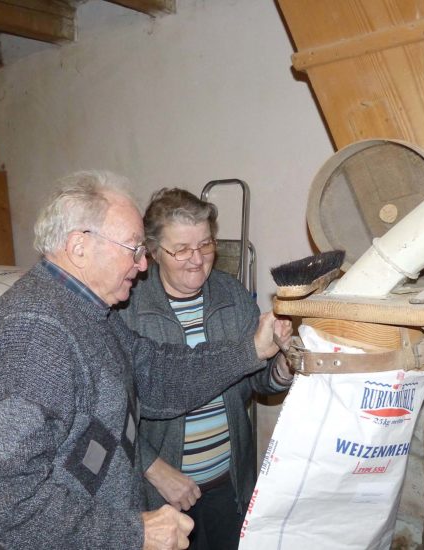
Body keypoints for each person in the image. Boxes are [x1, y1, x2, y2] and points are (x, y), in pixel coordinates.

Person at [0, 171, 291, 550]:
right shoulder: (30, 338)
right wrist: (135, 533)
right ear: (80, 247)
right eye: (133, 249)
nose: (143, 264)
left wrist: (253, 350)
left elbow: (158, 375)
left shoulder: (89, 315)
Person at [119, 188, 293, 549]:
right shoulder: (129, 308)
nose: (197, 260)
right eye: (181, 249)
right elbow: (111, 412)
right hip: (160, 493)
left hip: (228, 482)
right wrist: (153, 468)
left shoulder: (230, 294)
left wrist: (285, 362)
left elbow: (258, 380)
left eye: (205, 245)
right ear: (153, 252)